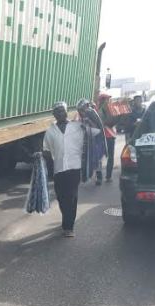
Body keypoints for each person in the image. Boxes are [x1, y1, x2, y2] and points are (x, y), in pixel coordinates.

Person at [43, 102, 101, 237]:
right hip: (59, 169)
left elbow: (96, 132)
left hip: (74, 167)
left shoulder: (77, 126)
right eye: (57, 112)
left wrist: (87, 117)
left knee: (71, 196)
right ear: (54, 115)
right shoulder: (50, 131)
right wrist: (40, 156)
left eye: (62, 111)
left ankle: (68, 227)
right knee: (61, 197)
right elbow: (46, 149)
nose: (60, 114)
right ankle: (66, 217)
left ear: (66, 111)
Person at [97, 93, 119, 184]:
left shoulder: (110, 109)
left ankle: (107, 176)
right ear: (102, 100)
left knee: (108, 157)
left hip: (110, 136)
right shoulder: (98, 110)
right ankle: (100, 177)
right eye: (107, 99)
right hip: (103, 136)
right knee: (100, 158)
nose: (108, 101)